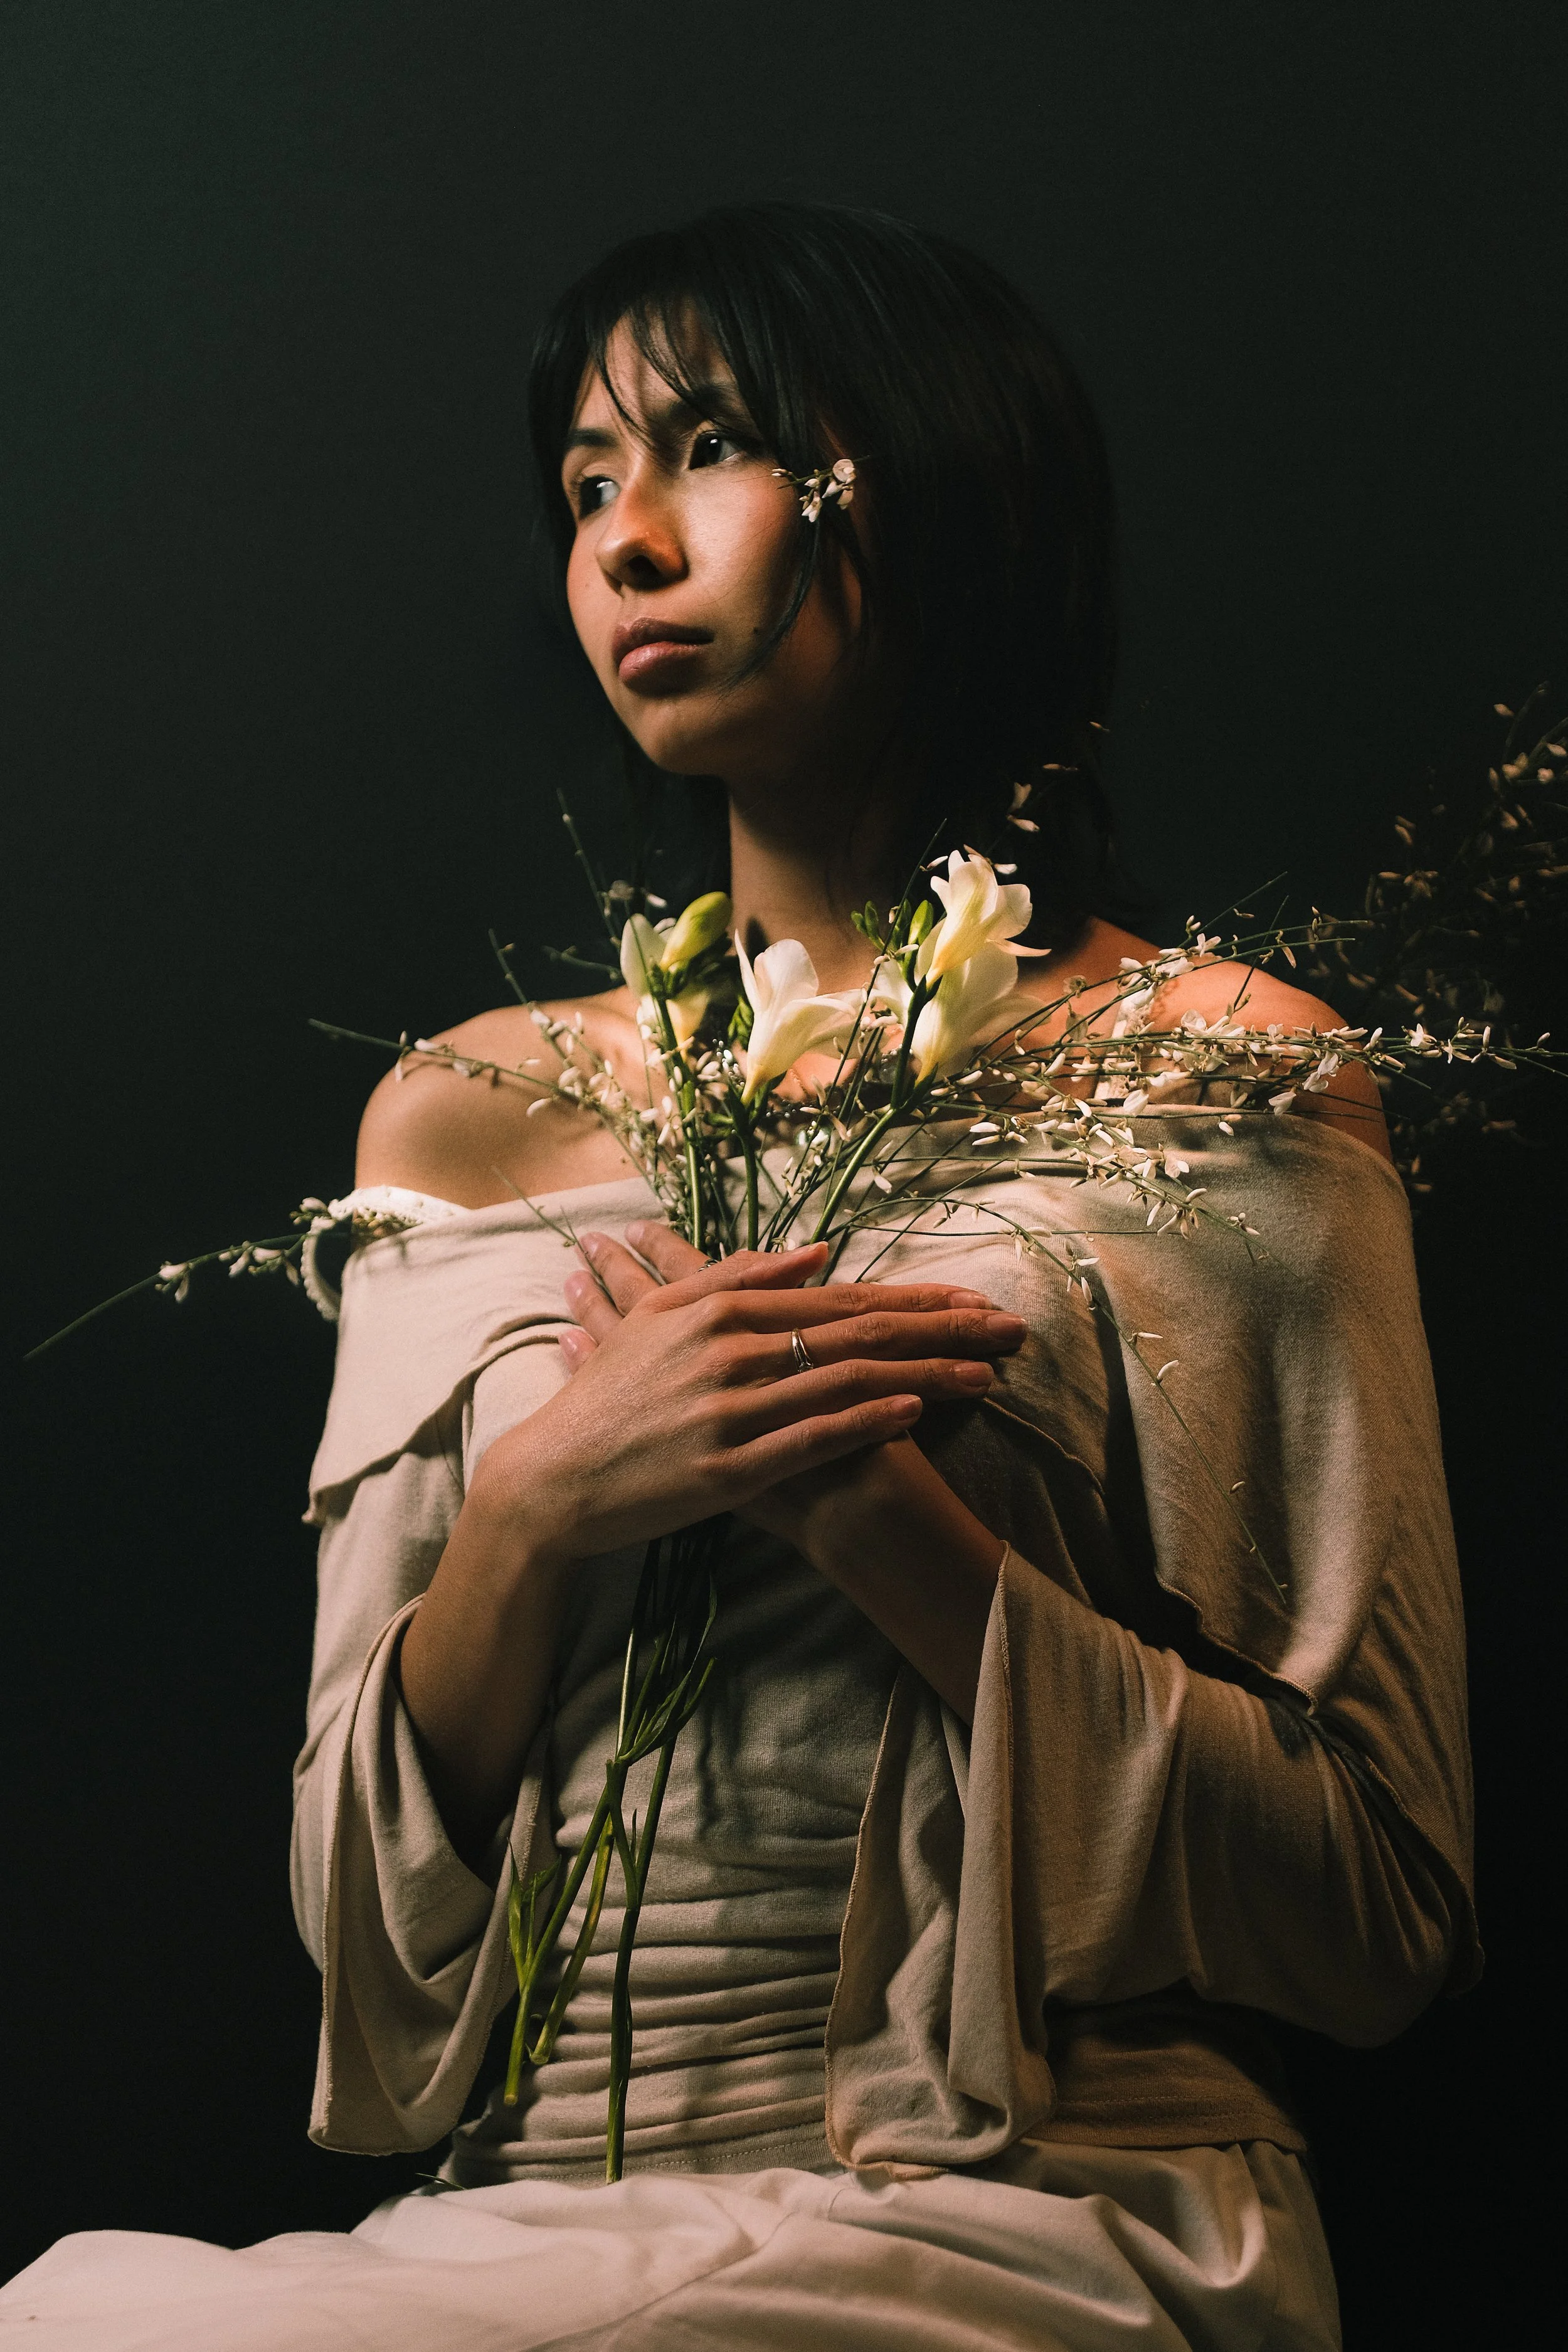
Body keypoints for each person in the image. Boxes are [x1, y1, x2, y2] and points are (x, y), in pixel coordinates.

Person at [1, 203, 1475, 2351]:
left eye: (706, 446)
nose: (621, 538)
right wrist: (535, 1502)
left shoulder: (1224, 1072)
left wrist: (876, 1517)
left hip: (1049, 2200)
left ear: (937, 476)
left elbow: (1377, 1904)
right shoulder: (463, 1115)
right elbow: (362, 1950)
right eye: (584, 481)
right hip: (525, 2209)